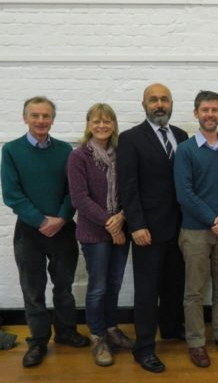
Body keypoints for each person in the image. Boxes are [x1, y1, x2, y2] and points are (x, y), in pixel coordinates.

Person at [1, 96, 90, 368]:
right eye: (35, 115)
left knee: (63, 287)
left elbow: (73, 191)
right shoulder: (12, 151)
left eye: (46, 116)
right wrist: (41, 221)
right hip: (29, 232)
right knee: (33, 289)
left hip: (62, 230)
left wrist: (61, 218)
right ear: (25, 118)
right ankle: (38, 341)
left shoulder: (66, 151)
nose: (41, 121)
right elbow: (12, 195)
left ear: (53, 118)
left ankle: (65, 333)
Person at [117, 83, 188, 373]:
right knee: (147, 291)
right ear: (143, 104)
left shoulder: (182, 136)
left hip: (180, 227)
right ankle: (143, 347)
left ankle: (171, 328)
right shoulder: (131, 138)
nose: (160, 104)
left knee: (174, 283)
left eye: (164, 99)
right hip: (147, 228)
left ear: (171, 103)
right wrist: (136, 225)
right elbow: (128, 186)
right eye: (154, 100)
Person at [174, 90, 218, 368]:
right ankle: (196, 341)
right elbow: (184, 193)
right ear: (196, 114)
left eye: (214, 110)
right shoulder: (186, 150)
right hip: (195, 232)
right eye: (205, 110)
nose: (210, 114)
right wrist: (214, 219)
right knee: (194, 290)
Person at [67, 103, 133, 367]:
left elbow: (131, 189)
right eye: (97, 121)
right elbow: (79, 199)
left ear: (114, 125)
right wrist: (111, 223)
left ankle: (111, 328)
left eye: (107, 121)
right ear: (88, 124)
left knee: (114, 283)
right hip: (94, 233)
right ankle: (97, 336)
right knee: (97, 287)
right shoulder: (79, 157)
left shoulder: (123, 153)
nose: (102, 126)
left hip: (121, 228)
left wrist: (123, 217)